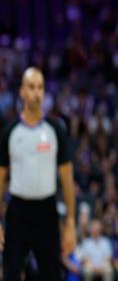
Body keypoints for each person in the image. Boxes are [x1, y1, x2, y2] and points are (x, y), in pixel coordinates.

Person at [0, 67, 77, 280]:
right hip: (17, 212)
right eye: (32, 87)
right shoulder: (10, 132)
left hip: (47, 212)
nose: (37, 92)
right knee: (11, 274)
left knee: (51, 274)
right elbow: (1, 179)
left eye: (41, 87)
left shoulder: (55, 130)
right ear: (22, 92)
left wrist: (70, 223)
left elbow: (67, 179)